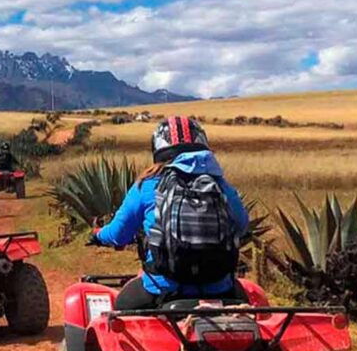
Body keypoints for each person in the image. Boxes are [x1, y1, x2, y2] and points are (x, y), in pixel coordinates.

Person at [88, 116, 249, 310]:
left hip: (162, 290)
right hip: (220, 289)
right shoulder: (221, 185)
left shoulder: (147, 185)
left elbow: (118, 234)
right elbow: (241, 226)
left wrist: (98, 235)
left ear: (158, 149)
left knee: (121, 307)